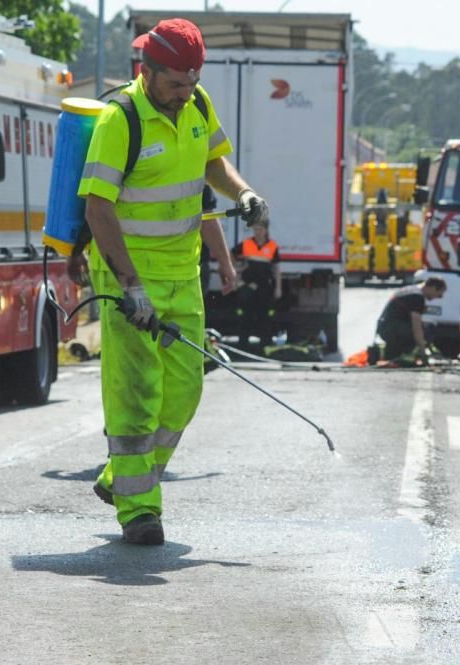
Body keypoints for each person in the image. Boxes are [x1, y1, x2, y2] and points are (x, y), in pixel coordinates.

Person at [72, 18, 269, 545]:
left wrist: (243, 194)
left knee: (185, 390)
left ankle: (121, 478)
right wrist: (131, 285)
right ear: (148, 70)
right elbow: (98, 210)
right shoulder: (121, 120)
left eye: (193, 80)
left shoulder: (198, 105)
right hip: (127, 276)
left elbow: (214, 165)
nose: (187, 92)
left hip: (182, 274)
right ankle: (139, 510)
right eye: (177, 83)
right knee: (136, 389)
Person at [234, 218, 282, 348]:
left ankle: (265, 344)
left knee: (264, 317)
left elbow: (276, 268)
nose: (257, 232)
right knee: (245, 316)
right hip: (247, 286)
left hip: (264, 287)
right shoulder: (246, 244)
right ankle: (243, 344)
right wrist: (237, 270)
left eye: (260, 229)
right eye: (255, 229)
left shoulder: (272, 246)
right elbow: (230, 255)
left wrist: (278, 287)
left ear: (266, 230)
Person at [376, 277, 446, 362]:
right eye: (439, 294)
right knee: (427, 330)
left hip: (386, 327)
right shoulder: (417, 297)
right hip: (391, 329)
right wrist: (423, 353)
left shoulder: (412, 289)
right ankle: (406, 356)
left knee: (428, 325)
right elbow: (417, 327)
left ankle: (400, 353)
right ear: (433, 288)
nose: (439, 298)